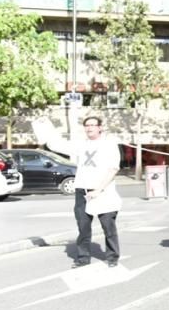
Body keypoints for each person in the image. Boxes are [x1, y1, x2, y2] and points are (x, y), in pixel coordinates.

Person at [38, 115, 122, 269]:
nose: (89, 128)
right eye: (87, 125)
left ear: (100, 127)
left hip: (103, 192)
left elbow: (113, 169)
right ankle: (83, 258)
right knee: (83, 226)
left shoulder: (109, 144)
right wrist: (46, 125)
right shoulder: (81, 144)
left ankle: (112, 257)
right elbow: (57, 145)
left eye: (92, 125)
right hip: (82, 190)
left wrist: (98, 189)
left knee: (108, 227)